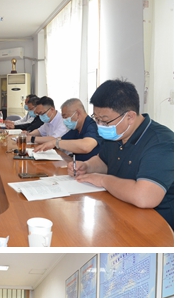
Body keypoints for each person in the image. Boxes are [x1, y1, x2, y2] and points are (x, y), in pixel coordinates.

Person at [68, 78, 173, 229]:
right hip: (119, 212)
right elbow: (103, 161)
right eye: (96, 119)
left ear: (130, 117)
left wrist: (103, 180)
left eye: (105, 121)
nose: (100, 125)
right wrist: (86, 166)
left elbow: (144, 197)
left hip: (155, 226)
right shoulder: (117, 134)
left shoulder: (161, 143)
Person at [33, 98, 101, 160]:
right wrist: (49, 143)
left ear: (78, 113)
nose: (64, 120)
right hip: (77, 165)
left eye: (65, 117)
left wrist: (56, 143)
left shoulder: (92, 126)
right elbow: (61, 139)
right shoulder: (76, 128)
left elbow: (86, 146)